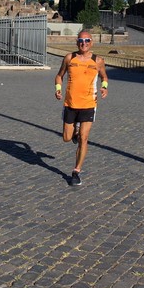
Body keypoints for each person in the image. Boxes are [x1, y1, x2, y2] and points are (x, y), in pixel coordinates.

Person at [54, 30, 108, 186]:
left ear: (92, 42)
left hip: (89, 105)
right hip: (70, 104)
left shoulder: (98, 61)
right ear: (77, 42)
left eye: (87, 40)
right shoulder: (69, 58)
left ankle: (76, 171)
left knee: (84, 139)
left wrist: (104, 87)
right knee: (66, 138)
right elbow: (59, 75)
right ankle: (74, 131)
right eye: (81, 40)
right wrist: (58, 88)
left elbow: (104, 77)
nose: (83, 43)